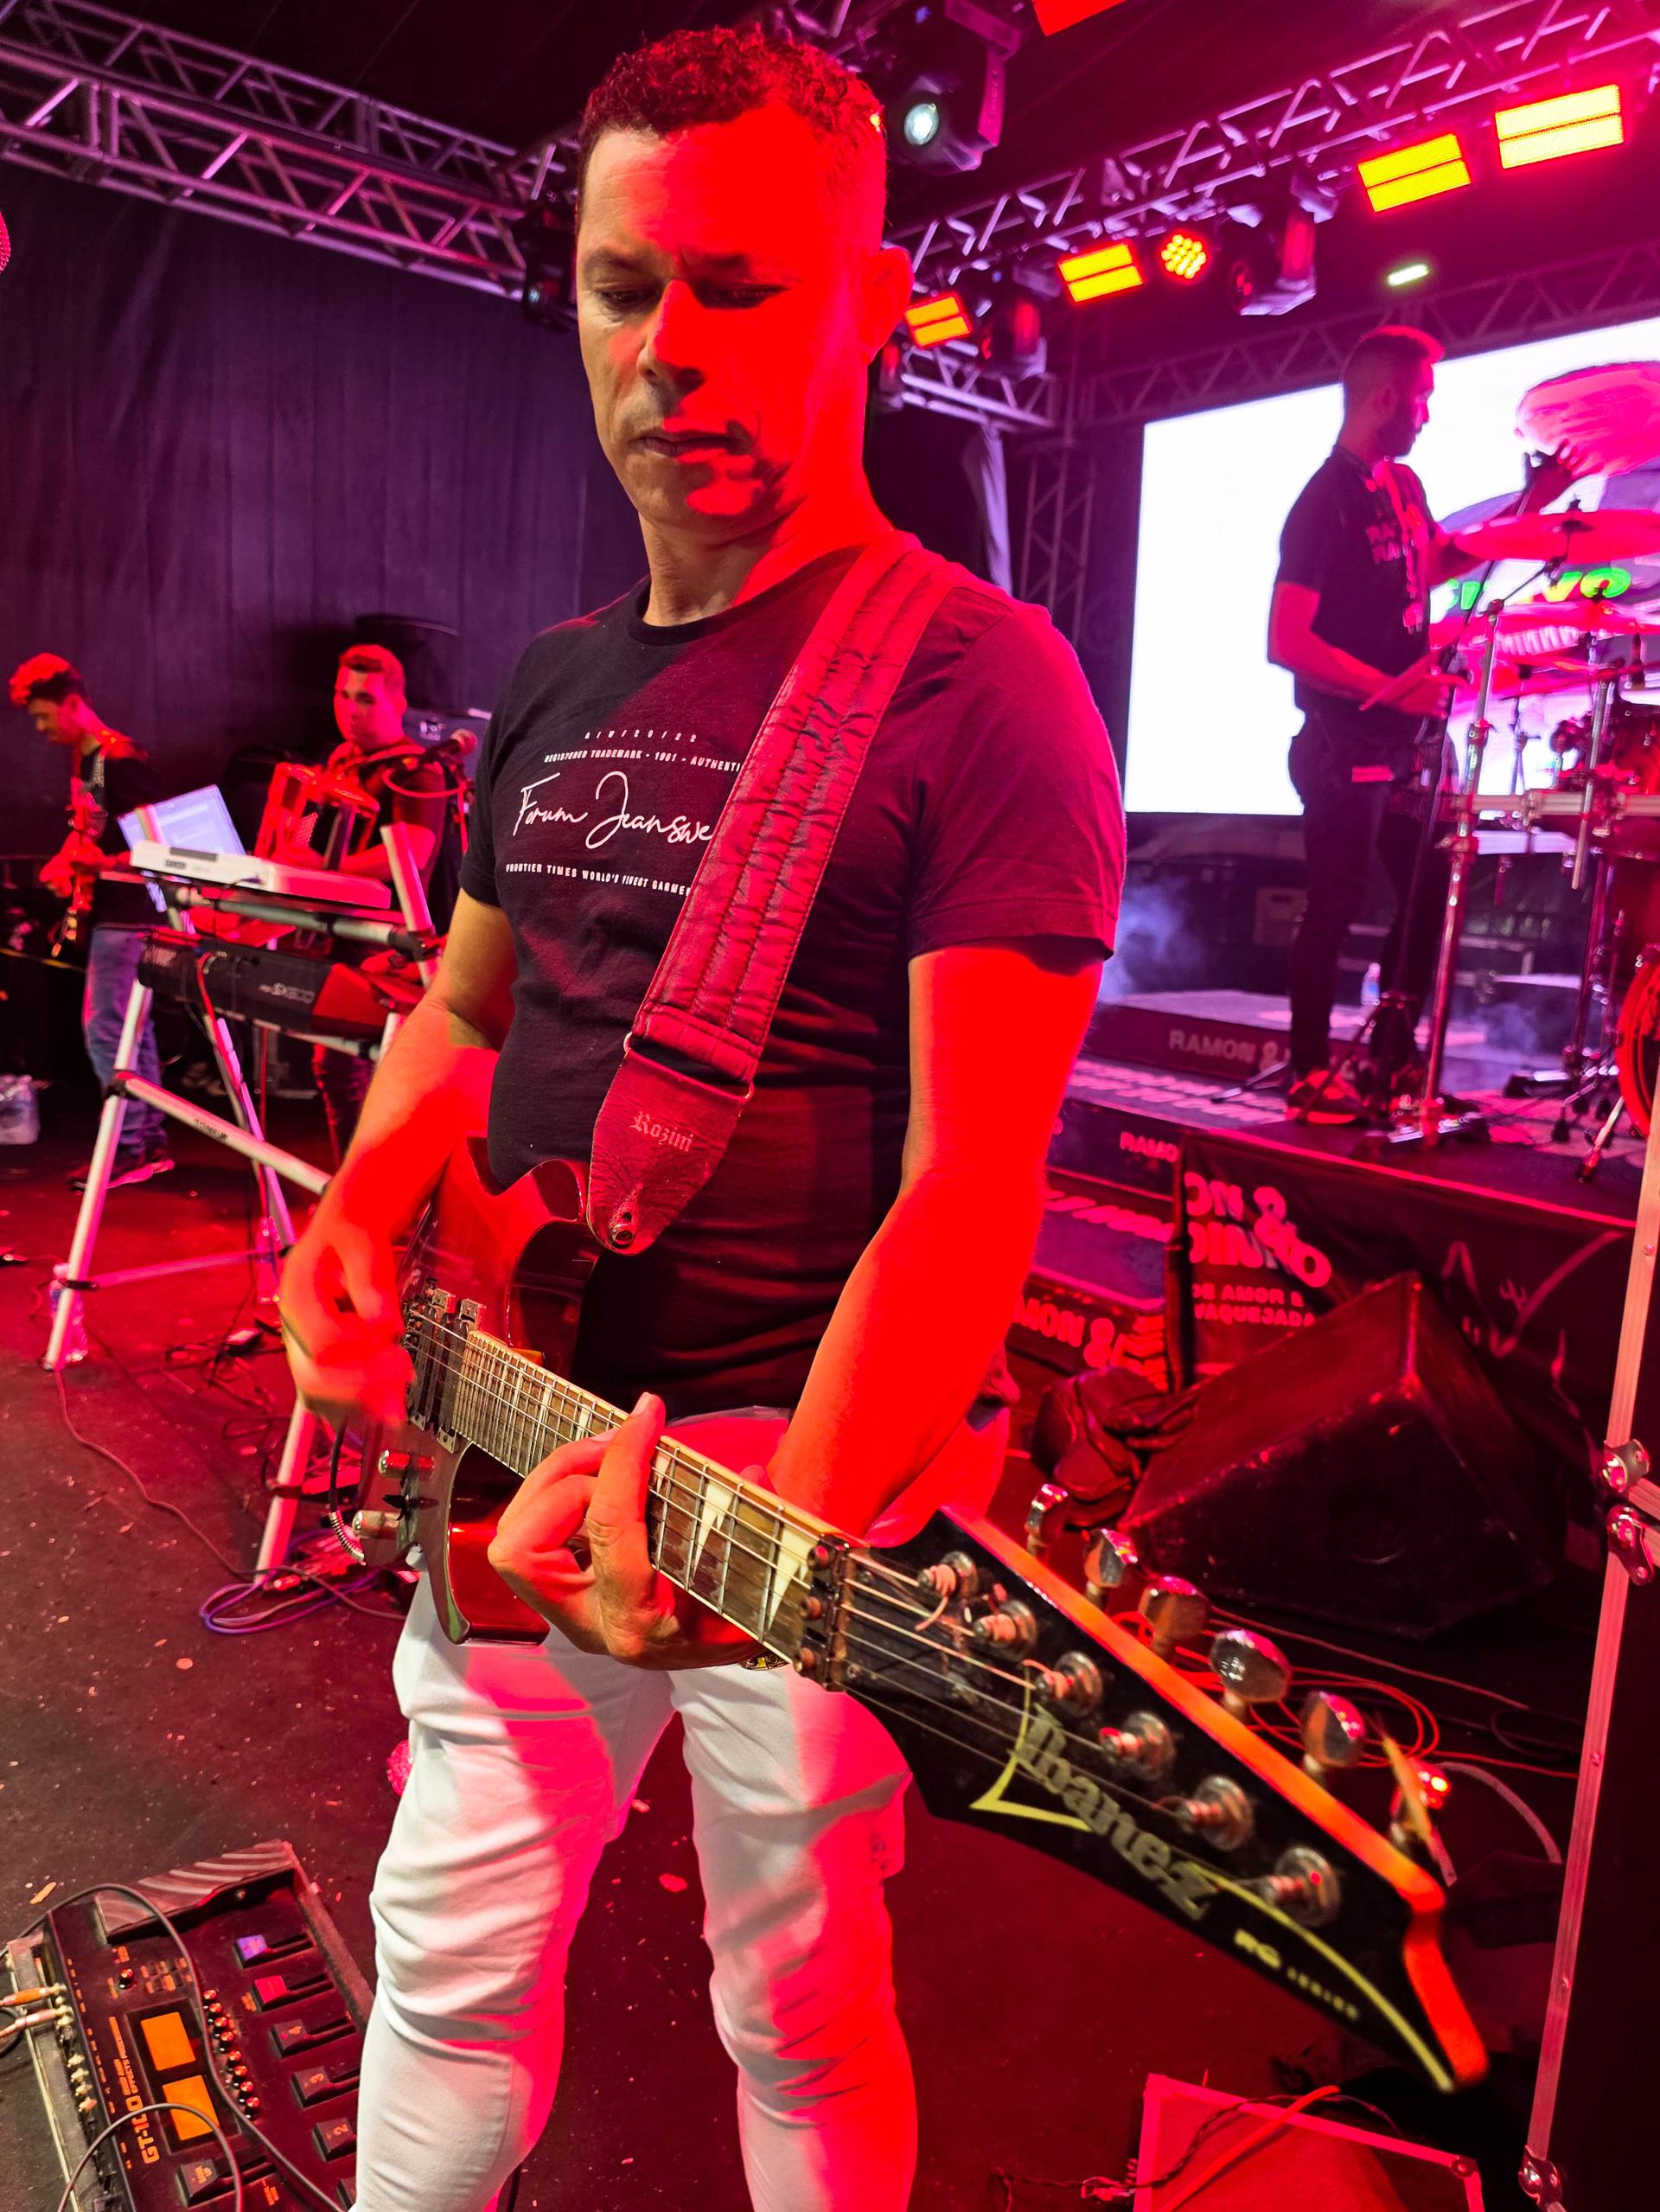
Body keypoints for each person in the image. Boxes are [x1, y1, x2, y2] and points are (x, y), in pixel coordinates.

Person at [278, 27, 1122, 2212]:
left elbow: (972, 1179)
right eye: (622, 287)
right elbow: (463, 1014)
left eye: (741, 287)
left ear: (872, 302)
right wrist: (358, 1212)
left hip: (794, 1492)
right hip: (508, 1436)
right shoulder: (555, 680)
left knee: (800, 2005)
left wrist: (781, 1551)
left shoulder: (979, 678)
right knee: (441, 1965)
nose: (671, 348)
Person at [1267, 325, 1570, 1123]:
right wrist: (1388, 692)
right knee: (1334, 904)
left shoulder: (1403, 486)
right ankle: (1308, 1074)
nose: (1428, 415)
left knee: (1431, 891)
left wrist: (1529, 508)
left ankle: (1394, 1063)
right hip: (1342, 740)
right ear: (1385, 399)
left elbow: (1432, 562)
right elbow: (1287, 641)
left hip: (1404, 744)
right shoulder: (1322, 503)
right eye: (1423, 399)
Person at [10, 654, 174, 1186]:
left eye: (44, 716)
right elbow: (92, 830)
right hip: (116, 912)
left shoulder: (118, 759)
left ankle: (127, 1146)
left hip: (129, 915)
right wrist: (69, 860)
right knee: (131, 1032)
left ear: (73, 703)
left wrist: (102, 865)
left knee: (107, 1030)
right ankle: (147, 1142)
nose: (41, 729)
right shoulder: (90, 761)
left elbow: (160, 844)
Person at [300, 644, 451, 1160]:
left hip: (384, 943)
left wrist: (324, 871)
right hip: (335, 934)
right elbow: (309, 831)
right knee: (336, 1067)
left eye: (365, 698)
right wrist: (295, 843)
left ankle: (364, 1184)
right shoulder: (340, 762)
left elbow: (413, 850)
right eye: (342, 695)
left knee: (350, 1068)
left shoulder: (415, 770)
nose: (350, 708)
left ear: (397, 703)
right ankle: (355, 1182)